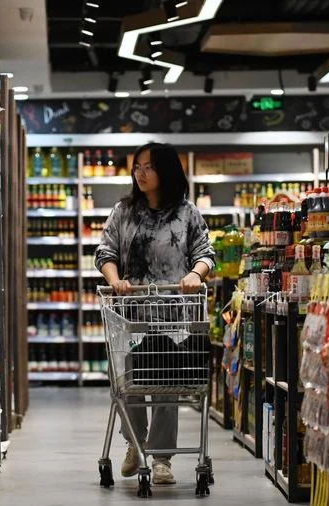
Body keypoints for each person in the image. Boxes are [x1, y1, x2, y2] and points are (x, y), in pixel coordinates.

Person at [94, 142, 215, 485]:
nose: (141, 173)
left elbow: (206, 252)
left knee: (167, 386)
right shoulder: (124, 211)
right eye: (137, 167)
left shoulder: (188, 213)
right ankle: (135, 440)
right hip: (129, 316)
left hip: (174, 314)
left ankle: (162, 458)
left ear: (167, 170)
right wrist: (115, 281)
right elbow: (105, 251)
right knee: (126, 383)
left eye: (148, 166)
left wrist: (195, 274)